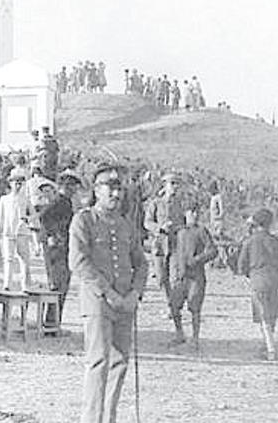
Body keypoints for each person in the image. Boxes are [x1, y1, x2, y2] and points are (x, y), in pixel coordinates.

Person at [69, 163, 147, 423]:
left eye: (119, 189)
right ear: (96, 190)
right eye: (110, 188)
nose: (116, 194)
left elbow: (141, 262)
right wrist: (108, 293)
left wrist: (135, 292)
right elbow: (78, 262)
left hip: (125, 304)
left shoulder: (126, 225)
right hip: (98, 304)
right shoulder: (84, 220)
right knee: (99, 361)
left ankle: (109, 418)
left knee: (120, 362)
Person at [236, 208, 278, 360]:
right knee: (271, 314)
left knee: (263, 314)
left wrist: (248, 274)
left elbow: (241, 266)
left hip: (258, 278)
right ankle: (267, 343)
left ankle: (270, 348)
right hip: (275, 279)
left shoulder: (249, 241)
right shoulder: (277, 242)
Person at [167, 206, 217, 350]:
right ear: (185, 213)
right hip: (180, 276)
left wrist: (198, 259)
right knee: (174, 305)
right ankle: (179, 333)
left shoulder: (201, 231)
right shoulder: (178, 232)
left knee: (195, 307)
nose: (194, 215)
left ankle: (195, 338)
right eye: (191, 212)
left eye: (197, 212)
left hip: (196, 276)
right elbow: (168, 250)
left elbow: (213, 250)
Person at [37, 173, 76, 326]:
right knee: (58, 285)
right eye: (70, 186)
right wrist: (52, 235)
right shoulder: (59, 202)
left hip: (62, 248)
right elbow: (44, 217)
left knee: (60, 285)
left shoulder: (65, 202)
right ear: (63, 187)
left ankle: (53, 322)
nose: (73, 190)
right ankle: (51, 323)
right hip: (57, 249)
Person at [144, 173, 186, 305]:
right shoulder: (155, 203)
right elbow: (147, 222)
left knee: (175, 278)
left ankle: (172, 305)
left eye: (177, 184)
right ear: (165, 185)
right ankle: (169, 300)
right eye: (172, 183)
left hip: (175, 245)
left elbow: (185, 223)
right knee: (162, 278)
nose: (175, 187)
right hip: (160, 245)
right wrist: (160, 227)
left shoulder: (180, 204)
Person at [0, 167, 34, 291]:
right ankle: (7, 284)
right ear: (10, 183)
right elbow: (0, 217)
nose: (18, 185)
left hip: (22, 232)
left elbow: (33, 214)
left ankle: (25, 285)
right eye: (15, 182)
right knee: (8, 259)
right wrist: (0, 232)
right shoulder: (4, 199)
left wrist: (27, 220)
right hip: (8, 232)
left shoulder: (26, 199)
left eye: (20, 182)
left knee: (24, 259)